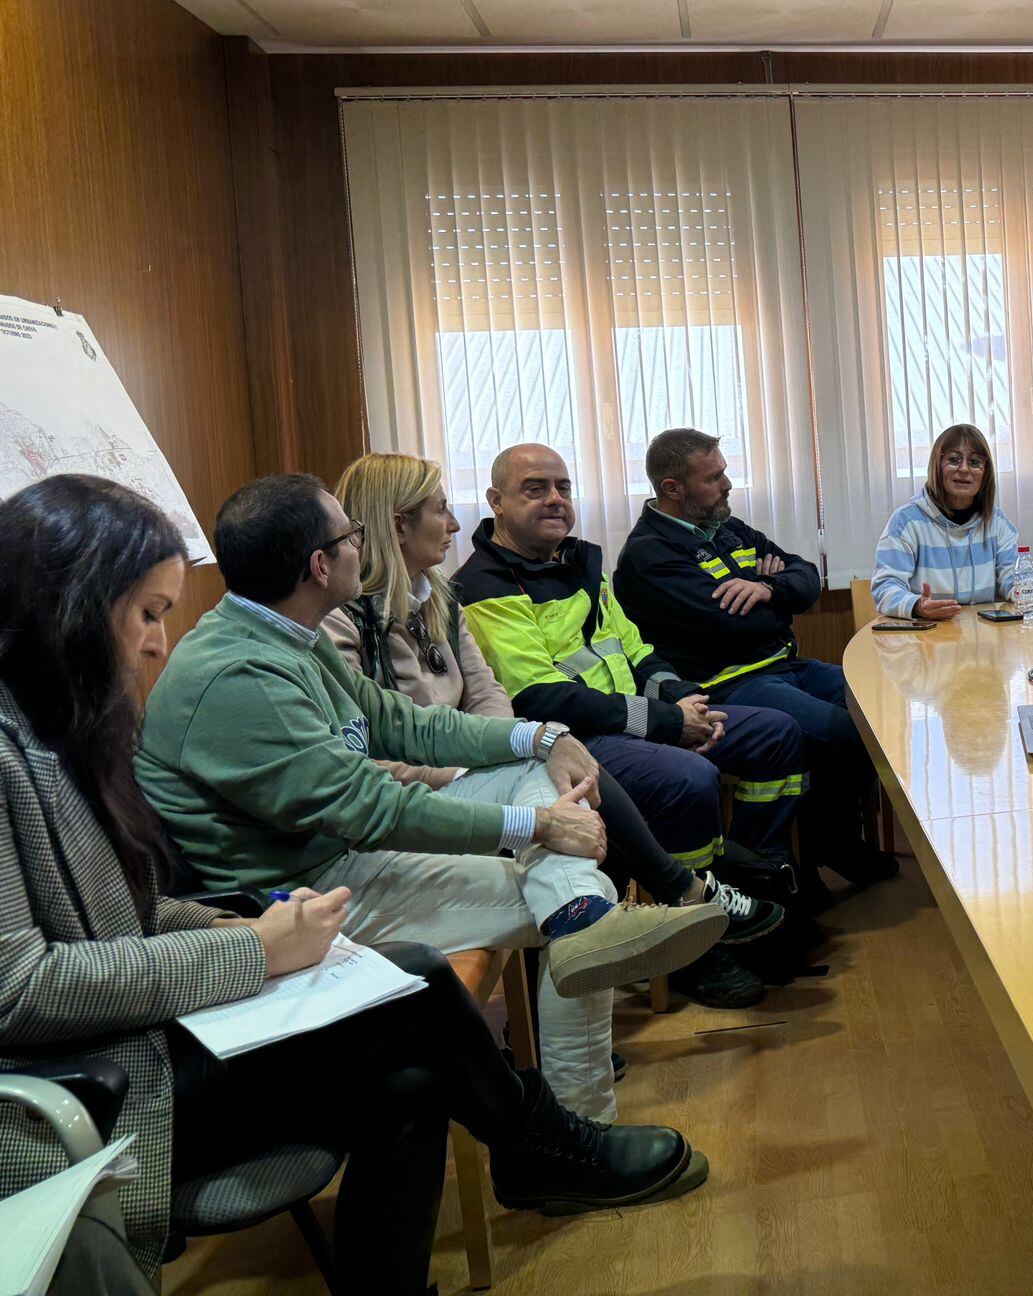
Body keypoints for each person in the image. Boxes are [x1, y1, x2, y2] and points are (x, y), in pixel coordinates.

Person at [2, 477, 698, 1296]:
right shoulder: (169, 697)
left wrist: (214, 931)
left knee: (415, 1069)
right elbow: (20, 989)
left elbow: (130, 910)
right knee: (425, 985)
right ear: (74, 610)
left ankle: (538, 1135)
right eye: (149, 614)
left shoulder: (74, 729)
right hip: (95, 1092)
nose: (160, 642)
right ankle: (542, 1137)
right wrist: (249, 949)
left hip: (167, 1015)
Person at [136, 474, 727, 1123]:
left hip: (345, 864)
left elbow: (408, 725)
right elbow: (373, 808)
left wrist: (540, 736)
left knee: (574, 893)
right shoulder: (239, 673)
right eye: (352, 535)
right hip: (291, 904)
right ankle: (579, 1115)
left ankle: (581, 1087)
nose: (363, 544)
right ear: (320, 564)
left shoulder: (285, 632)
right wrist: (539, 826)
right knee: (574, 900)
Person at [330, 452, 784, 1009]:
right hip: (430, 789)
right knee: (631, 784)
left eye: (563, 486)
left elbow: (491, 691)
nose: (453, 524)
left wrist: (669, 704)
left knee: (770, 733)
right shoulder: (357, 617)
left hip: (505, 758)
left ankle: (708, 892)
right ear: (398, 522)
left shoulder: (441, 593)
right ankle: (688, 900)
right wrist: (491, 761)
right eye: (442, 510)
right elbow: (527, 700)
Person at [449, 444, 821, 995]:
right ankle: (696, 944)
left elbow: (636, 649)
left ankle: (757, 874)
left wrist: (687, 702)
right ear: (495, 503)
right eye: (536, 488)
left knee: (774, 732)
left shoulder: (579, 562)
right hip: (570, 744)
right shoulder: (484, 586)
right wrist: (669, 725)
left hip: (639, 721)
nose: (555, 499)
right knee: (688, 778)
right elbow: (540, 697)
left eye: (564, 487)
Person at [614, 429, 899, 894]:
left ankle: (827, 844)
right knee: (843, 730)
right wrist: (776, 595)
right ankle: (818, 852)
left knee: (878, 702)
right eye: (714, 477)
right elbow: (736, 625)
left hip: (785, 666)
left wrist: (768, 589)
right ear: (672, 488)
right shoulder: (649, 556)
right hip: (729, 686)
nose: (727, 484)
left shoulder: (728, 529)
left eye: (724, 472)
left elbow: (804, 573)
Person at [871, 423, 1033, 620]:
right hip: (927, 640)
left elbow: (1013, 577)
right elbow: (885, 586)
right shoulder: (906, 522)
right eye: (953, 459)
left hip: (985, 641)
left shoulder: (996, 522)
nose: (964, 469)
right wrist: (917, 606)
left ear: (985, 473)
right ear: (937, 466)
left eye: (975, 462)